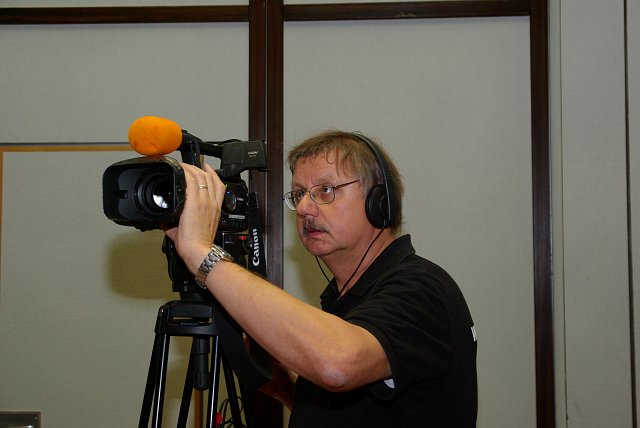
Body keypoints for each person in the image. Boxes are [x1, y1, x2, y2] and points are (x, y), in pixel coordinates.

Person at [164, 130, 478, 427]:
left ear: (379, 201)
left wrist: (200, 253)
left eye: (325, 190)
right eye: (299, 193)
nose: (303, 207)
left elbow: (338, 366)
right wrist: (288, 389)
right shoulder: (347, 297)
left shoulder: (421, 288)